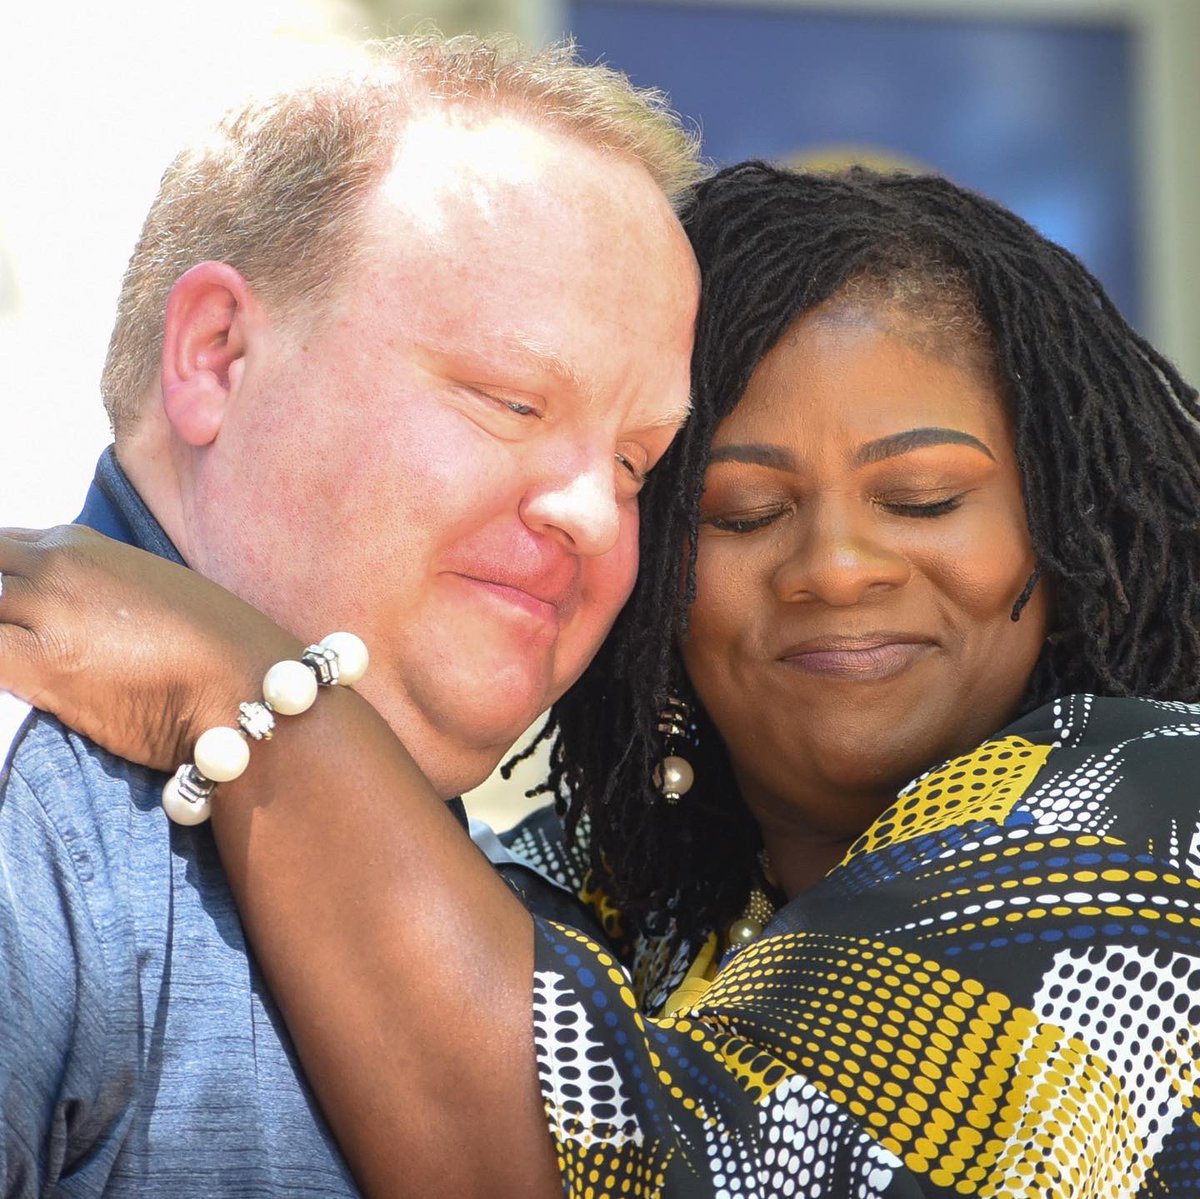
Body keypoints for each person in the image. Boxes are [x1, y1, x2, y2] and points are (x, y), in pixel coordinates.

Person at [3, 162, 1200, 1198]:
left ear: (1066, 530)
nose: (837, 567)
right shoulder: (593, 905)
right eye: (744, 513)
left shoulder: (1158, 803)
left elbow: (626, 1158)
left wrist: (239, 678)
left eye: (924, 499)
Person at [0, 31, 701, 1196]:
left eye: (637, 462)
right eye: (511, 399)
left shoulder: (572, 918)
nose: (591, 510)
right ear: (218, 355)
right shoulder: (26, 773)